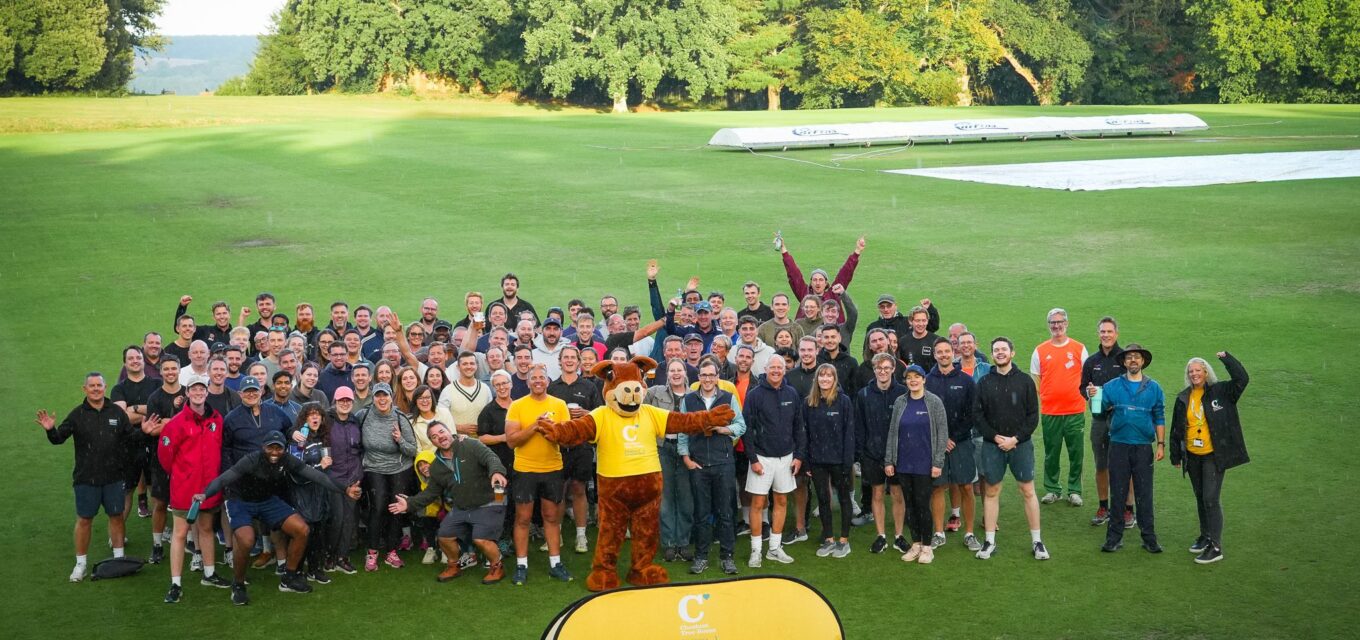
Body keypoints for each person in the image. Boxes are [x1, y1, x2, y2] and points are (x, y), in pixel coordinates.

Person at [194, 431, 359, 606]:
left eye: (278, 448)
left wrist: (345, 489)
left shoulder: (287, 459)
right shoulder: (251, 460)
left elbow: (316, 475)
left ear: (284, 449)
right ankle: (238, 584)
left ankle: (288, 578)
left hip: (267, 501)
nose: (274, 452)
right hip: (240, 501)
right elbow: (224, 479)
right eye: (270, 448)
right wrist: (205, 494)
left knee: (302, 529)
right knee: (246, 540)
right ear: (263, 447)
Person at [36, 372, 136, 582]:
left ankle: (118, 559)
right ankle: (80, 563)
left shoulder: (117, 412)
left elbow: (130, 438)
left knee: (117, 517)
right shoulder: (77, 415)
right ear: (85, 389)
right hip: (86, 479)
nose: (96, 389)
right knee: (84, 520)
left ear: (105, 387)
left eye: (99, 385)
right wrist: (50, 429)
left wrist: (144, 432)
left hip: (114, 477)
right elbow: (58, 439)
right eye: (92, 386)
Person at [389, 422, 510, 584]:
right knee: (444, 536)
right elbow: (431, 493)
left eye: (442, 431)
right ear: (433, 442)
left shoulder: (470, 444)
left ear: (449, 431)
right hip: (463, 506)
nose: (440, 436)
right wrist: (409, 504)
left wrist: (496, 471)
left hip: (492, 499)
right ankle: (454, 565)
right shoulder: (436, 467)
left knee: (481, 539)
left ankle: (497, 567)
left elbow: (491, 458)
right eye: (434, 436)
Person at [152, 378, 229, 602]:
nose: (198, 392)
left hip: (208, 489)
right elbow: (165, 457)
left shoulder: (217, 419)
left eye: (201, 389)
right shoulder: (176, 423)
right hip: (185, 490)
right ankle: (175, 583)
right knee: (180, 533)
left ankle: (209, 573)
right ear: (187, 392)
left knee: (206, 529)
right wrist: (184, 476)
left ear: (207, 392)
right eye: (193, 389)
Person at [1170, 351, 1249, 565]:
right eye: (1191, 371)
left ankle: (1215, 546)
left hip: (1214, 455)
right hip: (1193, 456)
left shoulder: (1221, 391)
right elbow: (1177, 427)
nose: (1194, 374)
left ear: (1206, 372)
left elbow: (1242, 379)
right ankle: (1205, 536)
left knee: (1210, 499)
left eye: (1198, 370)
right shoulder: (1184, 396)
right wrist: (1175, 455)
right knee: (1200, 497)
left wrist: (1227, 359)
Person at [973, 336, 1047, 561]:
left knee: (1028, 491)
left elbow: (1033, 416)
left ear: (1012, 353)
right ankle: (989, 541)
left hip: (1020, 445)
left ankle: (1037, 542)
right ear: (992, 354)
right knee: (992, 491)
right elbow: (978, 415)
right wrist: (996, 438)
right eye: (996, 350)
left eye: (1004, 349)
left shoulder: (1025, 381)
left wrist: (1015, 439)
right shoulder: (984, 382)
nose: (1000, 353)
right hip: (992, 446)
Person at [504, 364, 573, 584]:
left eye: (541, 377)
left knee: (551, 517)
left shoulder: (559, 405)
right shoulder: (517, 406)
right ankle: (521, 565)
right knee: (523, 518)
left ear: (547, 381)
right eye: (533, 378)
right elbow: (511, 440)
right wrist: (535, 425)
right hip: (524, 469)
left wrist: (554, 431)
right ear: (527, 382)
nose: (537, 381)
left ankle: (555, 563)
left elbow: (567, 439)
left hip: (552, 468)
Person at [679, 358, 746, 575]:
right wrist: (686, 458)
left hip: (723, 463)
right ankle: (701, 556)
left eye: (711, 375)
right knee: (701, 513)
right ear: (698, 378)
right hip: (698, 464)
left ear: (718, 377)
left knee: (726, 512)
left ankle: (727, 557)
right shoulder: (688, 400)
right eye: (703, 375)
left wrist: (722, 429)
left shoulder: (727, 398)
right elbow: (682, 430)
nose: (707, 379)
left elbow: (741, 426)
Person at [1099, 343, 1166, 554]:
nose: (1133, 361)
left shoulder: (1154, 388)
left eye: (1137, 357)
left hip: (1143, 447)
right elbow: (1098, 411)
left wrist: (1161, 444)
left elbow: (1159, 416)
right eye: (1129, 358)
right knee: (1117, 493)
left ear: (1143, 361)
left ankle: (1149, 538)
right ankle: (1113, 538)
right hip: (1118, 446)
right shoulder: (1111, 386)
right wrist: (1095, 397)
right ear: (1124, 362)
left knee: (1145, 494)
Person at [741, 356, 806, 567]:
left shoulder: (792, 393)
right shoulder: (755, 395)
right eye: (772, 367)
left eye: (780, 367)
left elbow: (799, 426)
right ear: (766, 369)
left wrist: (798, 456)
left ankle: (775, 548)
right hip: (761, 458)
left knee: (781, 501)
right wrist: (753, 459)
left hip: (786, 458)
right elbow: (746, 430)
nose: (776, 371)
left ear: (785, 370)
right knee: (758, 504)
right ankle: (756, 550)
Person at [884, 365, 948, 565]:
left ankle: (928, 547)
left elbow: (942, 434)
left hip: (925, 464)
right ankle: (916, 543)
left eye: (917, 377)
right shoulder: (900, 402)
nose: (913, 381)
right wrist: (889, 460)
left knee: (922, 505)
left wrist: (938, 462)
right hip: (904, 463)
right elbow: (893, 432)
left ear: (924, 379)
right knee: (910, 505)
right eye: (909, 377)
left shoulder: (934, 402)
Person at [925, 338, 981, 553]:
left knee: (966, 486)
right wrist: (941, 438)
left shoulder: (966, 381)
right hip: (936, 444)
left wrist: (953, 438)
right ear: (935, 355)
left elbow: (972, 413)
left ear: (953, 352)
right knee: (938, 486)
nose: (943, 355)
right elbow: (926, 414)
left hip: (961, 442)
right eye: (939, 352)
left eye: (947, 351)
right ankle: (938, 533)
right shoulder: (928, 381)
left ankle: (969, 533)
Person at [1029, 308, 1089, 506]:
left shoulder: (1079, 349)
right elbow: (1036, 379)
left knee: (1076, 452)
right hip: (1050, 412)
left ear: (1067, 323)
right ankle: (1052, 489)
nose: (1056, 325)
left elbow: (1087, 377)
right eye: (1053, 322)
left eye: (1060, 321)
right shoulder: (1040, 350)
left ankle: (1074, 490)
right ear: (1049, 325)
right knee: (1051, 452)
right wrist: (1047, 396)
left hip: (1075, 410)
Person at [548, 346, 603, 555]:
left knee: (579, 490)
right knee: (559, 492)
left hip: (582, 447)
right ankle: (557, 533)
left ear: (579, 362)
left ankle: (581, 536)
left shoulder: (589, 387)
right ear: (560, 362)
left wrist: (586, 413)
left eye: (573, 357)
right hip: (559, 449)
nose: (569, 361)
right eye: (566, 358)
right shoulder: (552, 387)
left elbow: (600, 415)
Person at [358, 382, 418, 571]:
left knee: (396, 508)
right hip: (374, 467)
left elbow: (412, 449)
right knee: (378, 507)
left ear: (391, 397)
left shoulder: (400, 418)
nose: (382, 399)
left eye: (385, 395)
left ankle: (392, 552)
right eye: (378, 395)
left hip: (399, 467)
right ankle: (372, 552)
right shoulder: (363, 415)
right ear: (373, 397)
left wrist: (399, 439)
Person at [644, 359, 696, 563]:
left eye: (679, 370)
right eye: (672, 370)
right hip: (662, 449)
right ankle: (668, 543)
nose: (676, 374)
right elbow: (641, 412)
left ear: (685, 373)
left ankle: (683, 543)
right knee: (665, 499)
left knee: (685, 498)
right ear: (667, 374)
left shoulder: (694, 395)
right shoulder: (655, 393)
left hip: (687, 451)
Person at [1079, 316, 1129, 526]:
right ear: (1098, 334)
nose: (1106, 335)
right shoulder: (1092, 361)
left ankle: (1128, 510)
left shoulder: (1126, 358)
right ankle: (1103, 506)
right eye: (1102, 332)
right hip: (1099, 420)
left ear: (1116, 333)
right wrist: (1089, 392)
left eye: (1109, 331)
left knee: (1126, 466)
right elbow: (1082, 388)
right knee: (1101, 465)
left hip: (1123, 420)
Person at [803, 364, 857, 559]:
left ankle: (844, 540)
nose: (825, 379)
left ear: (835, 379)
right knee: (823, 499)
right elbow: (805, 434)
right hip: (817, 461)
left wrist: (847, 462)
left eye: (829, 376)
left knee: (844, 499)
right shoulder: (809, 403)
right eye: (822, 376)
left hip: (839, 460)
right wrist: (807, 462)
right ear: (817, 379)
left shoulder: (844, 402)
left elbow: (849, 434)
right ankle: (828, 538)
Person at [324, 386, 364, 575]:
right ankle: (329, 555)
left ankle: (342, 557)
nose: (345, 403)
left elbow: (360, 451)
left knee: (349, 520)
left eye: (348, 400)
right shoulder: (326, 420)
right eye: (341, 400)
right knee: (336, 519)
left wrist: (358, 477)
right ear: (335, 401)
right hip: (332, 478)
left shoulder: (355, 421)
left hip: (353, 479)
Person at [777, 233, 864, 318]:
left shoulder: (834, 294)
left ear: (826, 283)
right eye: (815, 280)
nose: (817, 283)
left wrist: (857, 251)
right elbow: (793, 274)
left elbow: (846, 273)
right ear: (811, 283)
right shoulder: (804, 294)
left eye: (821, 280)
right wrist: (784, 250)